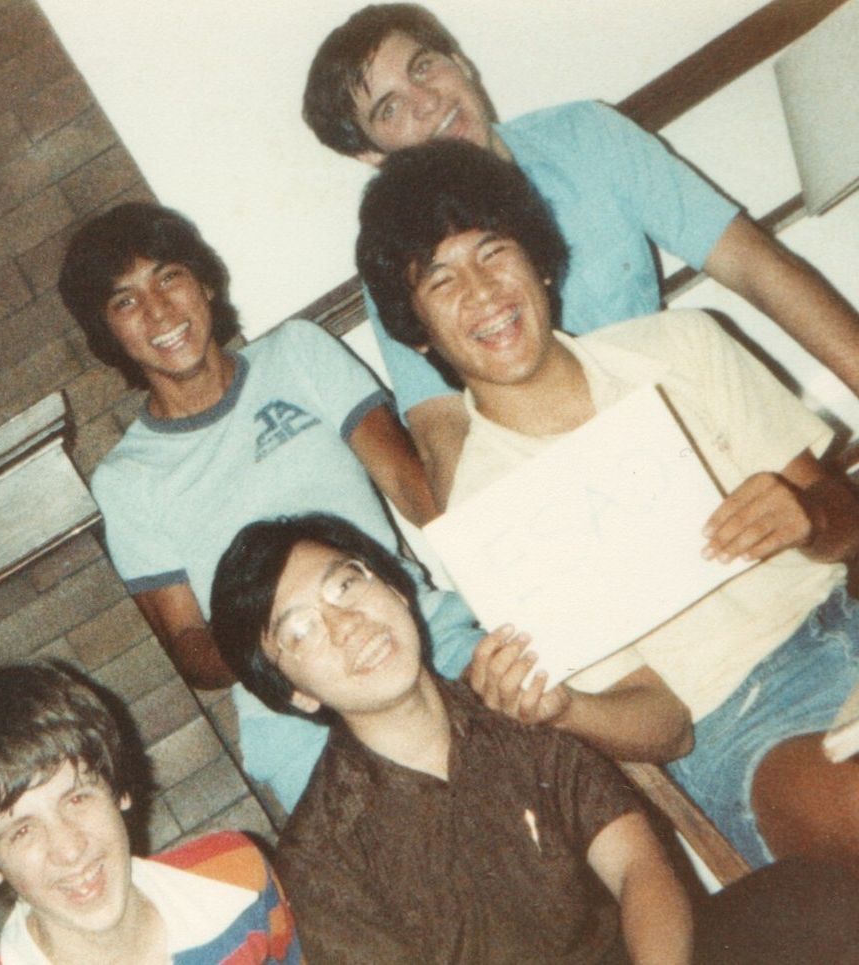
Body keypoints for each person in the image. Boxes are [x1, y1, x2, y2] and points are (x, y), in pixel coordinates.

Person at [355, 140, 859, 871]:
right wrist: (564, 709)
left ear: (540, 260)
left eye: (494, 252)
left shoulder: (681, 345)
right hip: (743, 723)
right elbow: (668, 727)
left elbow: (847, 524)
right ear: (420, 331)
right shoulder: (486, 519)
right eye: (442, 280)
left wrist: (810, 517)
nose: (483, 292)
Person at [210, 512, 859, 964]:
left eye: (346, 584)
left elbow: (637, 865)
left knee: (822, 894)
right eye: (302, 631)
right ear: (296, 692)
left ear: (395, 588)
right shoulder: (322, 859)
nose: (347, 623)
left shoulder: (516, 708)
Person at [304, 3, 859, 501]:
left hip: (694, 425)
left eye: (424, 67)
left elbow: (758, 268)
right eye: (390, 109)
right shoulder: (397, 256)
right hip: (572, 493)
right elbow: (442, 432)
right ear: (371, 155)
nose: (427, 102)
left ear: (461, 62)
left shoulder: (586, 136)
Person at [59, 201, 481, 810]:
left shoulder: (297, 354)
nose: (159, 311)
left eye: (169, 277)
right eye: (125, 302)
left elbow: (413, 487)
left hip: (422, 636)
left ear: (205, 282)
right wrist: (284, 644)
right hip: (292, 714)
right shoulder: (127, 480)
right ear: (109, 336)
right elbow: (189, 646)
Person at [0, 660, 302, 964]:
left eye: (77, 799)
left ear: (118, 791)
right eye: (22, 830)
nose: (69, 850)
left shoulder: (236, 875)